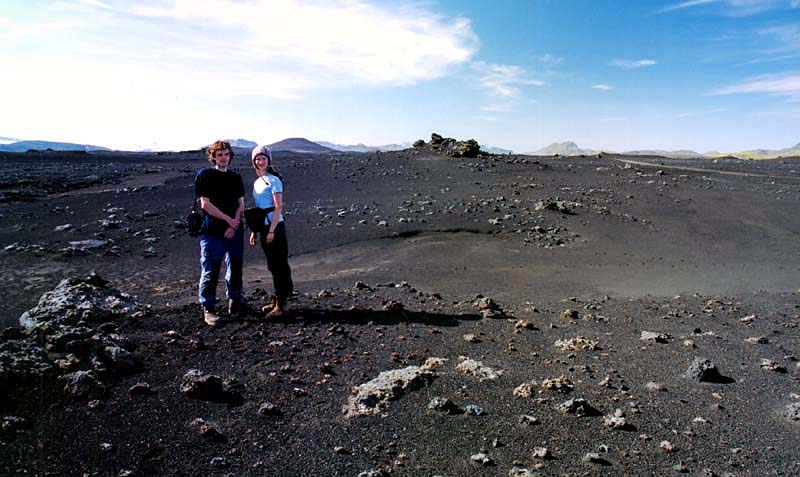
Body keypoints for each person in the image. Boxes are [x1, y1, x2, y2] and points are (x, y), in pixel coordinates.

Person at [195, 140, 245, 326]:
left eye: (226, 154)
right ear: (213, 157)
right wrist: (228, 221)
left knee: (236, 266)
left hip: (235, 230)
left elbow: (241, 204)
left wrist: (234, 225)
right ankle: (208, 307)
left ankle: (235, 300)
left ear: (230, 156)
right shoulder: (205, 175)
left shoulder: (235, 177)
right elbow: (205, 204)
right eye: (219, 155)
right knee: (211, 268)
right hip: (213, 231)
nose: (223, 158)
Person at [248, 144, 293, 318]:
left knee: (279, 264)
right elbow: (259, 208)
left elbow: (278, 206)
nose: (260, 161)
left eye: (263, 158)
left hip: (275, 226)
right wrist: (254, 231)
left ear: (268, 160)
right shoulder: (257, 182)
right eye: (257, 159)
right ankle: (276, 300)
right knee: (272, 265)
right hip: (264, 226)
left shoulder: (274, 180)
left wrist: (272, 231)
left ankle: (281, 305)